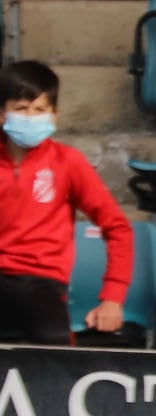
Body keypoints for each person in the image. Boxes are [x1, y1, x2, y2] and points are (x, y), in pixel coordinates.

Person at [0, 62, 134, 345]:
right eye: (21, 109)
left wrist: (112, 298)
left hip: (42, 282)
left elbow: (118, 229)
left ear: (54, 115)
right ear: (2, 114)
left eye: (40, 109)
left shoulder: (68, 162)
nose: (30, 117)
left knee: (53, 344)